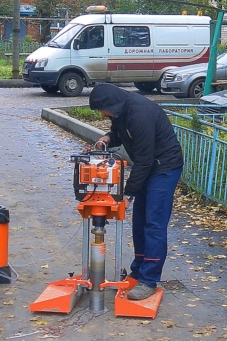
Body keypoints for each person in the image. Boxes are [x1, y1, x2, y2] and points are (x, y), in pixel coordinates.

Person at [89, 83, 184, 301]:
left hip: (164, 168)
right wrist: (108, 138)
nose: (103, 114)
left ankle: (149, 280)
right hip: (149, 166)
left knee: (154, 222)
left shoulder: (140, 113)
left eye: (102, 110)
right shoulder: (122, 110)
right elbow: (120, 133)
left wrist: (127, 194)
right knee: (140, 220)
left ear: (110, 104)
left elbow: (144, 160)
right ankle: (138, 269)